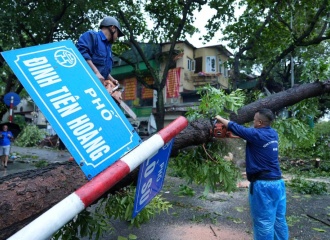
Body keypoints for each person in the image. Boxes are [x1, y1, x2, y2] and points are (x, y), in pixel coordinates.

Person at [215, 108, 289, 240]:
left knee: (263, 224)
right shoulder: (273, 134)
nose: (253, 122)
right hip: (278, 183)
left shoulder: (256, 135)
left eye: (254, 120)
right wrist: (235, 135)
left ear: (260, 122)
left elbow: (235, 127)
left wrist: (219, 118)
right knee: (279, 222)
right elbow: (250, 135)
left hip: (263, 186)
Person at [76, 16, 124, 98]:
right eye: (117, 34)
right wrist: (96, 73)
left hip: (96, 90)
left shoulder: (108, 49)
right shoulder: (91, 36)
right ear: (113, 28)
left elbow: (102, 68)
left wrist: (112, 79)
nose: (117, 38)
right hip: (82, 85)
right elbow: (81, 54)